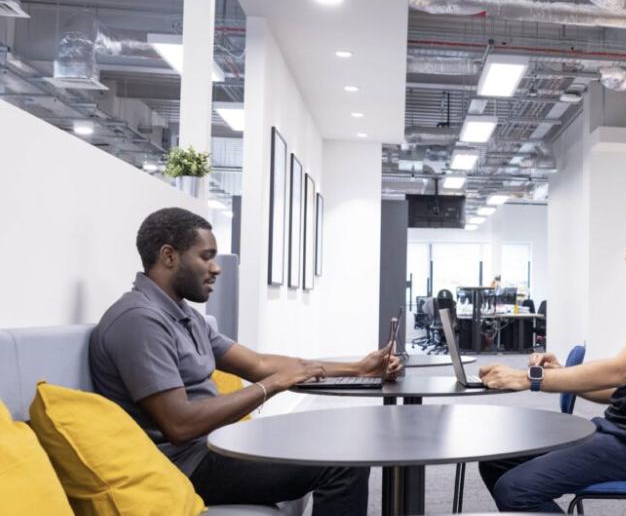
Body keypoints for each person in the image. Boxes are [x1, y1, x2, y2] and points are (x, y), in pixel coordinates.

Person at [89, 208, 402, 515]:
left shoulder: (183, 315)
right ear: (169, 256)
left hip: (211, 446)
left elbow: (258, 364)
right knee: (341, 461)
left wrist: (359, 368)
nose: (216, 268)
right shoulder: (139, 321)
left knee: (333, 438)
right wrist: (272, 386)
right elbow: (180, 425)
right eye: (206, 256)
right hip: (185, 464)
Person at [475, 199, 626, 513]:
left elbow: (619, 370)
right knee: (498, 463)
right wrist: (564, 373)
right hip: (620, 435)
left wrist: (530, 379)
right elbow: (621, 389)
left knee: (515, 487)